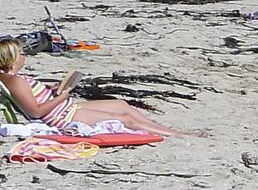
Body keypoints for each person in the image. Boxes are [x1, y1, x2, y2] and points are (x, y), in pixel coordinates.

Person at [0, 37, 196, 135]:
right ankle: (178, 134)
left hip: (65, 107)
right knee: (126, 120)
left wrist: (52, 89)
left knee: (120, 104)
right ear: (13, 58)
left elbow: (32, 98)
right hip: (62, 116)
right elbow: (35, 112)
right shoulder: (14, 80)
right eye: (21, 53)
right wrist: (63, 95)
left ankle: (161, 128)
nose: (25, 56)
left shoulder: (11, 77)